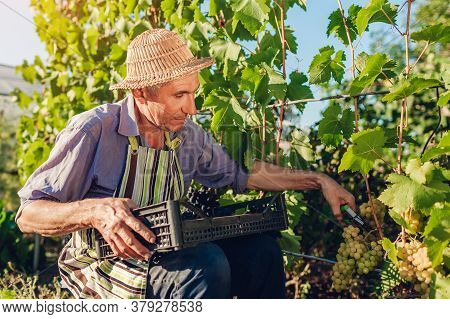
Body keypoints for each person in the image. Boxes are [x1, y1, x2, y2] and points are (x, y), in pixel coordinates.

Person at [16, 29, 355, 299]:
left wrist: (319, 180)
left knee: (261, 253)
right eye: (179, 96)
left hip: (167, 250)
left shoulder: (188, 135)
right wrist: (93, 212)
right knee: (206, 264)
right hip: (106, 264)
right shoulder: (94, 129)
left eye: (193, 94)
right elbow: (29, 214)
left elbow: (242, 174)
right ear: (142, 94)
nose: (192, 109)